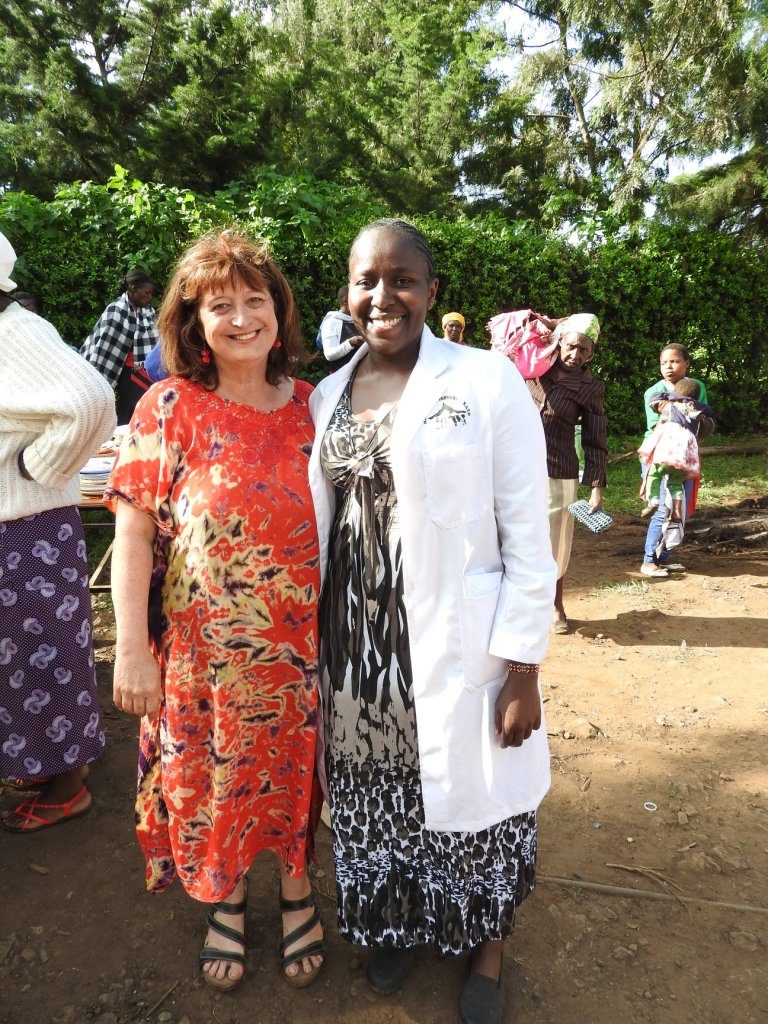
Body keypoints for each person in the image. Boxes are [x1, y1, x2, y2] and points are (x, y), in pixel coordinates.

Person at [308, 219, 556, 1024]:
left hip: (458, 643)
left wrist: (522, 666)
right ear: (347, 293)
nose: (383, 297)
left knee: (480, 800)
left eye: (402, 279)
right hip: (354, 649)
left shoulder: (487, 382)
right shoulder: (327, 391)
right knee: (377, 794)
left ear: (432, 290)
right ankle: (398, 922)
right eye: (366, 281)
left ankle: (487, 948)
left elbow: (526, 531)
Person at [104, 230, 325, 992]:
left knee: (298, 775)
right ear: (192, 322)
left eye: (254, 300)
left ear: (279, 310)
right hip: (205, 659)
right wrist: (130, 647)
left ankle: (298, 887)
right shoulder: (169, 408)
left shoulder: (313, 408)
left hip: (305, 652)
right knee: (217, 778)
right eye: (219, 304)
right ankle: (226, 898)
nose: (240, 318)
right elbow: (131, 534)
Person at [0, 230, 116, 831]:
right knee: (20, 659)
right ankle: (46, 763)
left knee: (43, 657)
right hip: (19, 530)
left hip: (27, 532)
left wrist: (36, 465)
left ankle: (69, 783)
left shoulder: (14, 331)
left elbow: (93, 398)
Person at [524, 314, 607, 634]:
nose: (576, 355)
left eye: (584, 351)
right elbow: (516, 326)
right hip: (517, 469)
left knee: (555, 543)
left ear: (592, 354)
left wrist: (596, 487)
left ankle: (555, 604)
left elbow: (596, 439)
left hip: (559, 473)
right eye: (571, 346)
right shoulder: (531, 369)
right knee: (513, 534)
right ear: (559, 342)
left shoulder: (589, 388)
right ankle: (519, 603)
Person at [80, 269, 159, 425]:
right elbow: (102, 344)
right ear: (133, 289)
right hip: (122, 370)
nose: (149, 297)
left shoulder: (148, 311)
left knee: (140, 408)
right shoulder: (117, 309)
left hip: (141, 370)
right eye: (147, 293)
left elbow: (154, 341)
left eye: (151, 294)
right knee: (129, 407)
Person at [639, 378, 715, 521]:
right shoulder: (699, 410)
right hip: (684, 457)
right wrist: (704, 418)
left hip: (667, 453)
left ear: (676, 392)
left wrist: (665, 398)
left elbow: (653, 399)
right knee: (675, 483)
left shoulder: (672, 402)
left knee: (654, 475)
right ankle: (677, 511)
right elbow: (711, 420)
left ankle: (653, 501)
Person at [317, 285, 363, 369]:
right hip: (342, 376)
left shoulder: (359, 320)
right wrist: (350, 343)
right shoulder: (332, 321)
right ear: (345, 301)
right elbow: (329, 355)